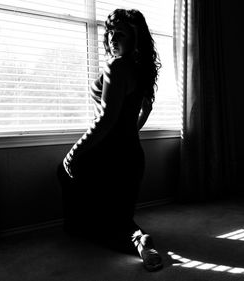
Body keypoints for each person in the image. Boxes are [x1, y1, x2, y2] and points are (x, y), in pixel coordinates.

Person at [57, 8, 162, 272]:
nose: (113, 38)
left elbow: (105, 120)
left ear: (135, 38)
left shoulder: (117, 66)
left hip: (109, 156)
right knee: (119, 219)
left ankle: (122, 237)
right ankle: (138, 240)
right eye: (111, 32)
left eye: (121, 34)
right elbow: (146, 109)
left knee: (63, 171)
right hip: (133, 157)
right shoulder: (142, 70)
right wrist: (130, 134)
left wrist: (74, 152)